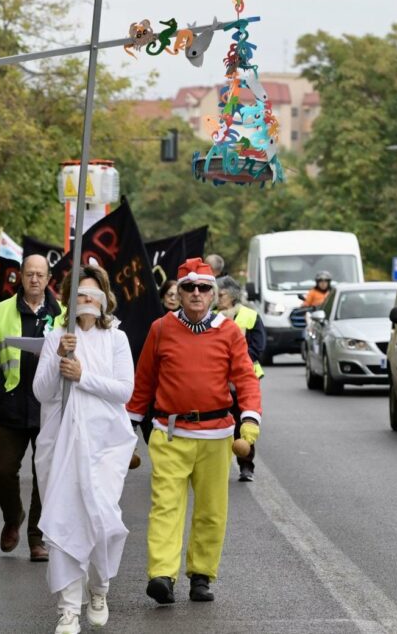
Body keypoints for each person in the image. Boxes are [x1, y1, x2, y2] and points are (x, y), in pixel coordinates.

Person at [127, 258, 262, 605]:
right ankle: (162, 575)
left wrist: (248, 422)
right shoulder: (160, 329)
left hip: (217, 436)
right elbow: (143, 383)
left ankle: (201, 575)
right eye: (189, 288)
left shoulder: (229, 331)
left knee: (211, 510)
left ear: (214, 294)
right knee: (165, 507)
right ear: (180, 293)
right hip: (170, 433)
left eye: (204, 288)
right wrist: (127, 429)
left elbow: (246, 379)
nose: (196, 294)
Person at [33, 264, 138, 634]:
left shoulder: (116, 339)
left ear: (105, 299)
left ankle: (100, 586)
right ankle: (67, 609)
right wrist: (59, 359)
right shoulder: (56, 336)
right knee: (64, 521)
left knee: (104, 520)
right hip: (60, 443)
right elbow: (41, 392)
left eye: (93, 294)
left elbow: (124, 390)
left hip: (105, 443)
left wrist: (83, 377)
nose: (86, 301)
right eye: (79, 294)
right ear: (67, 298)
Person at [0, 254, 62, 562]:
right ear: (21, 277)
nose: (35, 279)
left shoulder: (63, 314)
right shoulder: (0, 311)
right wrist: (0, 391)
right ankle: (13, 517)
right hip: (10, 407)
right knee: (4, 470)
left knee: (45, 475)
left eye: (40, 274)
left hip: (47, 408)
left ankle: (36, 538)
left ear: (49, 278)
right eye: (29, 274)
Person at [215, 276, 265, 482]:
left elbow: (258, 346)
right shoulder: (211, 316)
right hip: (218, 380)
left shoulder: (251, 315)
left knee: (245, 423)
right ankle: (218, 466)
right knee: (220, 423)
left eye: (221, 294)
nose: (217, 298)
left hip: (245, 379)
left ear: (233, 295)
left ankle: (246, 465)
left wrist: (239, 363)